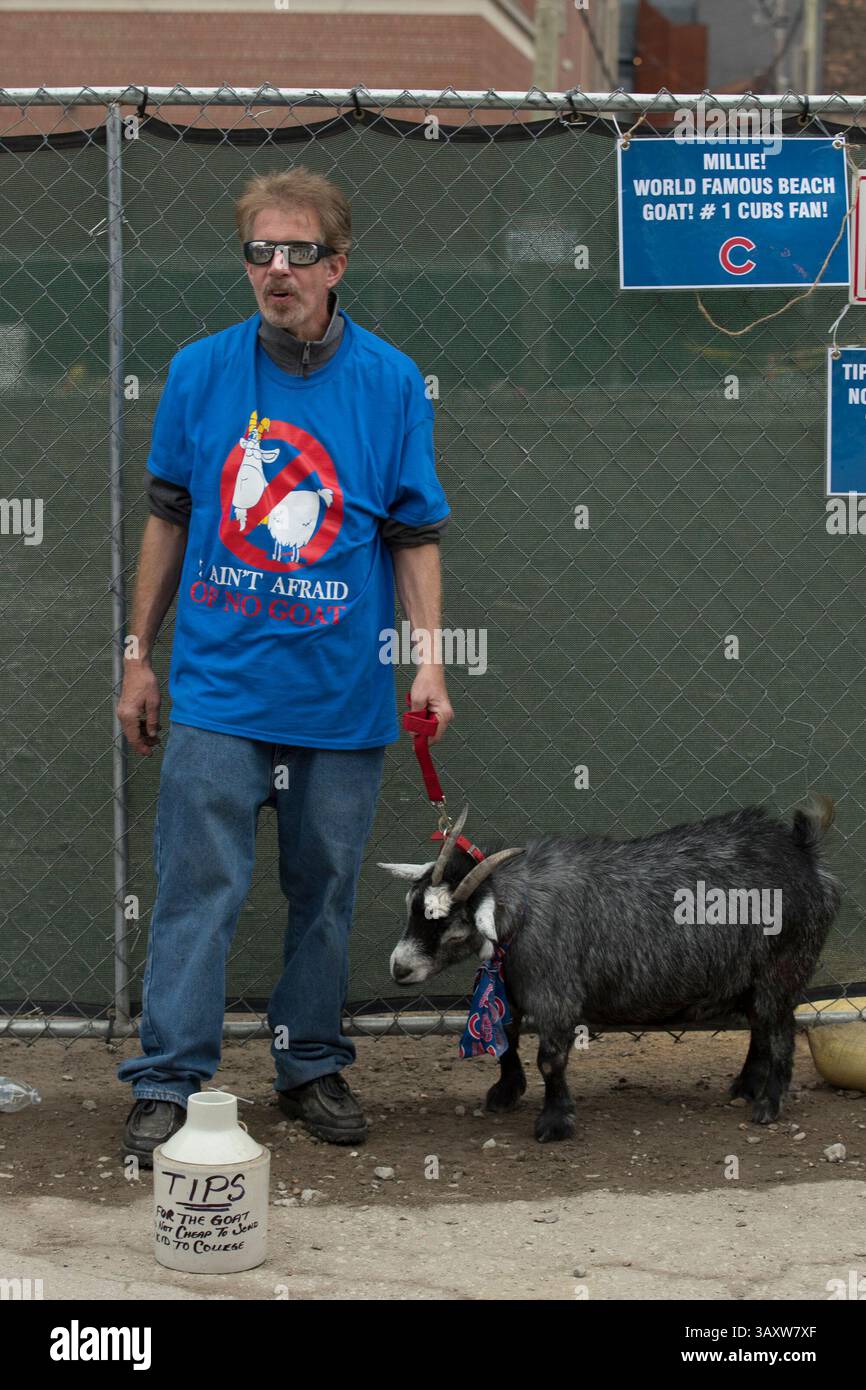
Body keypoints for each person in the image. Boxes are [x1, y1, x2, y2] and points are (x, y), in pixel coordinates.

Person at [115, 167, 453, 1165]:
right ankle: (170, 1077)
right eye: (258, 250)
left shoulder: (390, 382)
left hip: (339, 702)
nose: (274, 269)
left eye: (297, 252)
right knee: (196, 888)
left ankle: (309, 1062)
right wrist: (138, 657)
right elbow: (169, 514)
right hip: (218, 691)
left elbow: (413, 532)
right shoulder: (201, 372)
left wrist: (428, 663)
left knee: (326, 891)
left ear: (335, 264)